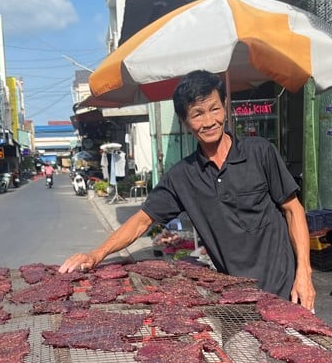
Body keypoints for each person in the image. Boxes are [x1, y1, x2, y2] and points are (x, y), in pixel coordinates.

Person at [60, 70, 316, 310]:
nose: (209, 121)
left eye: (214, 109)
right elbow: (141, 221)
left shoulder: (260, 152)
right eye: (197, 114)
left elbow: (293, 210)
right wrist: (96, 254)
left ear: (225, 107)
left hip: (286, 290)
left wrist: (303, 273)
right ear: (185, 122)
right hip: (236, 298)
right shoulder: (183, 176)